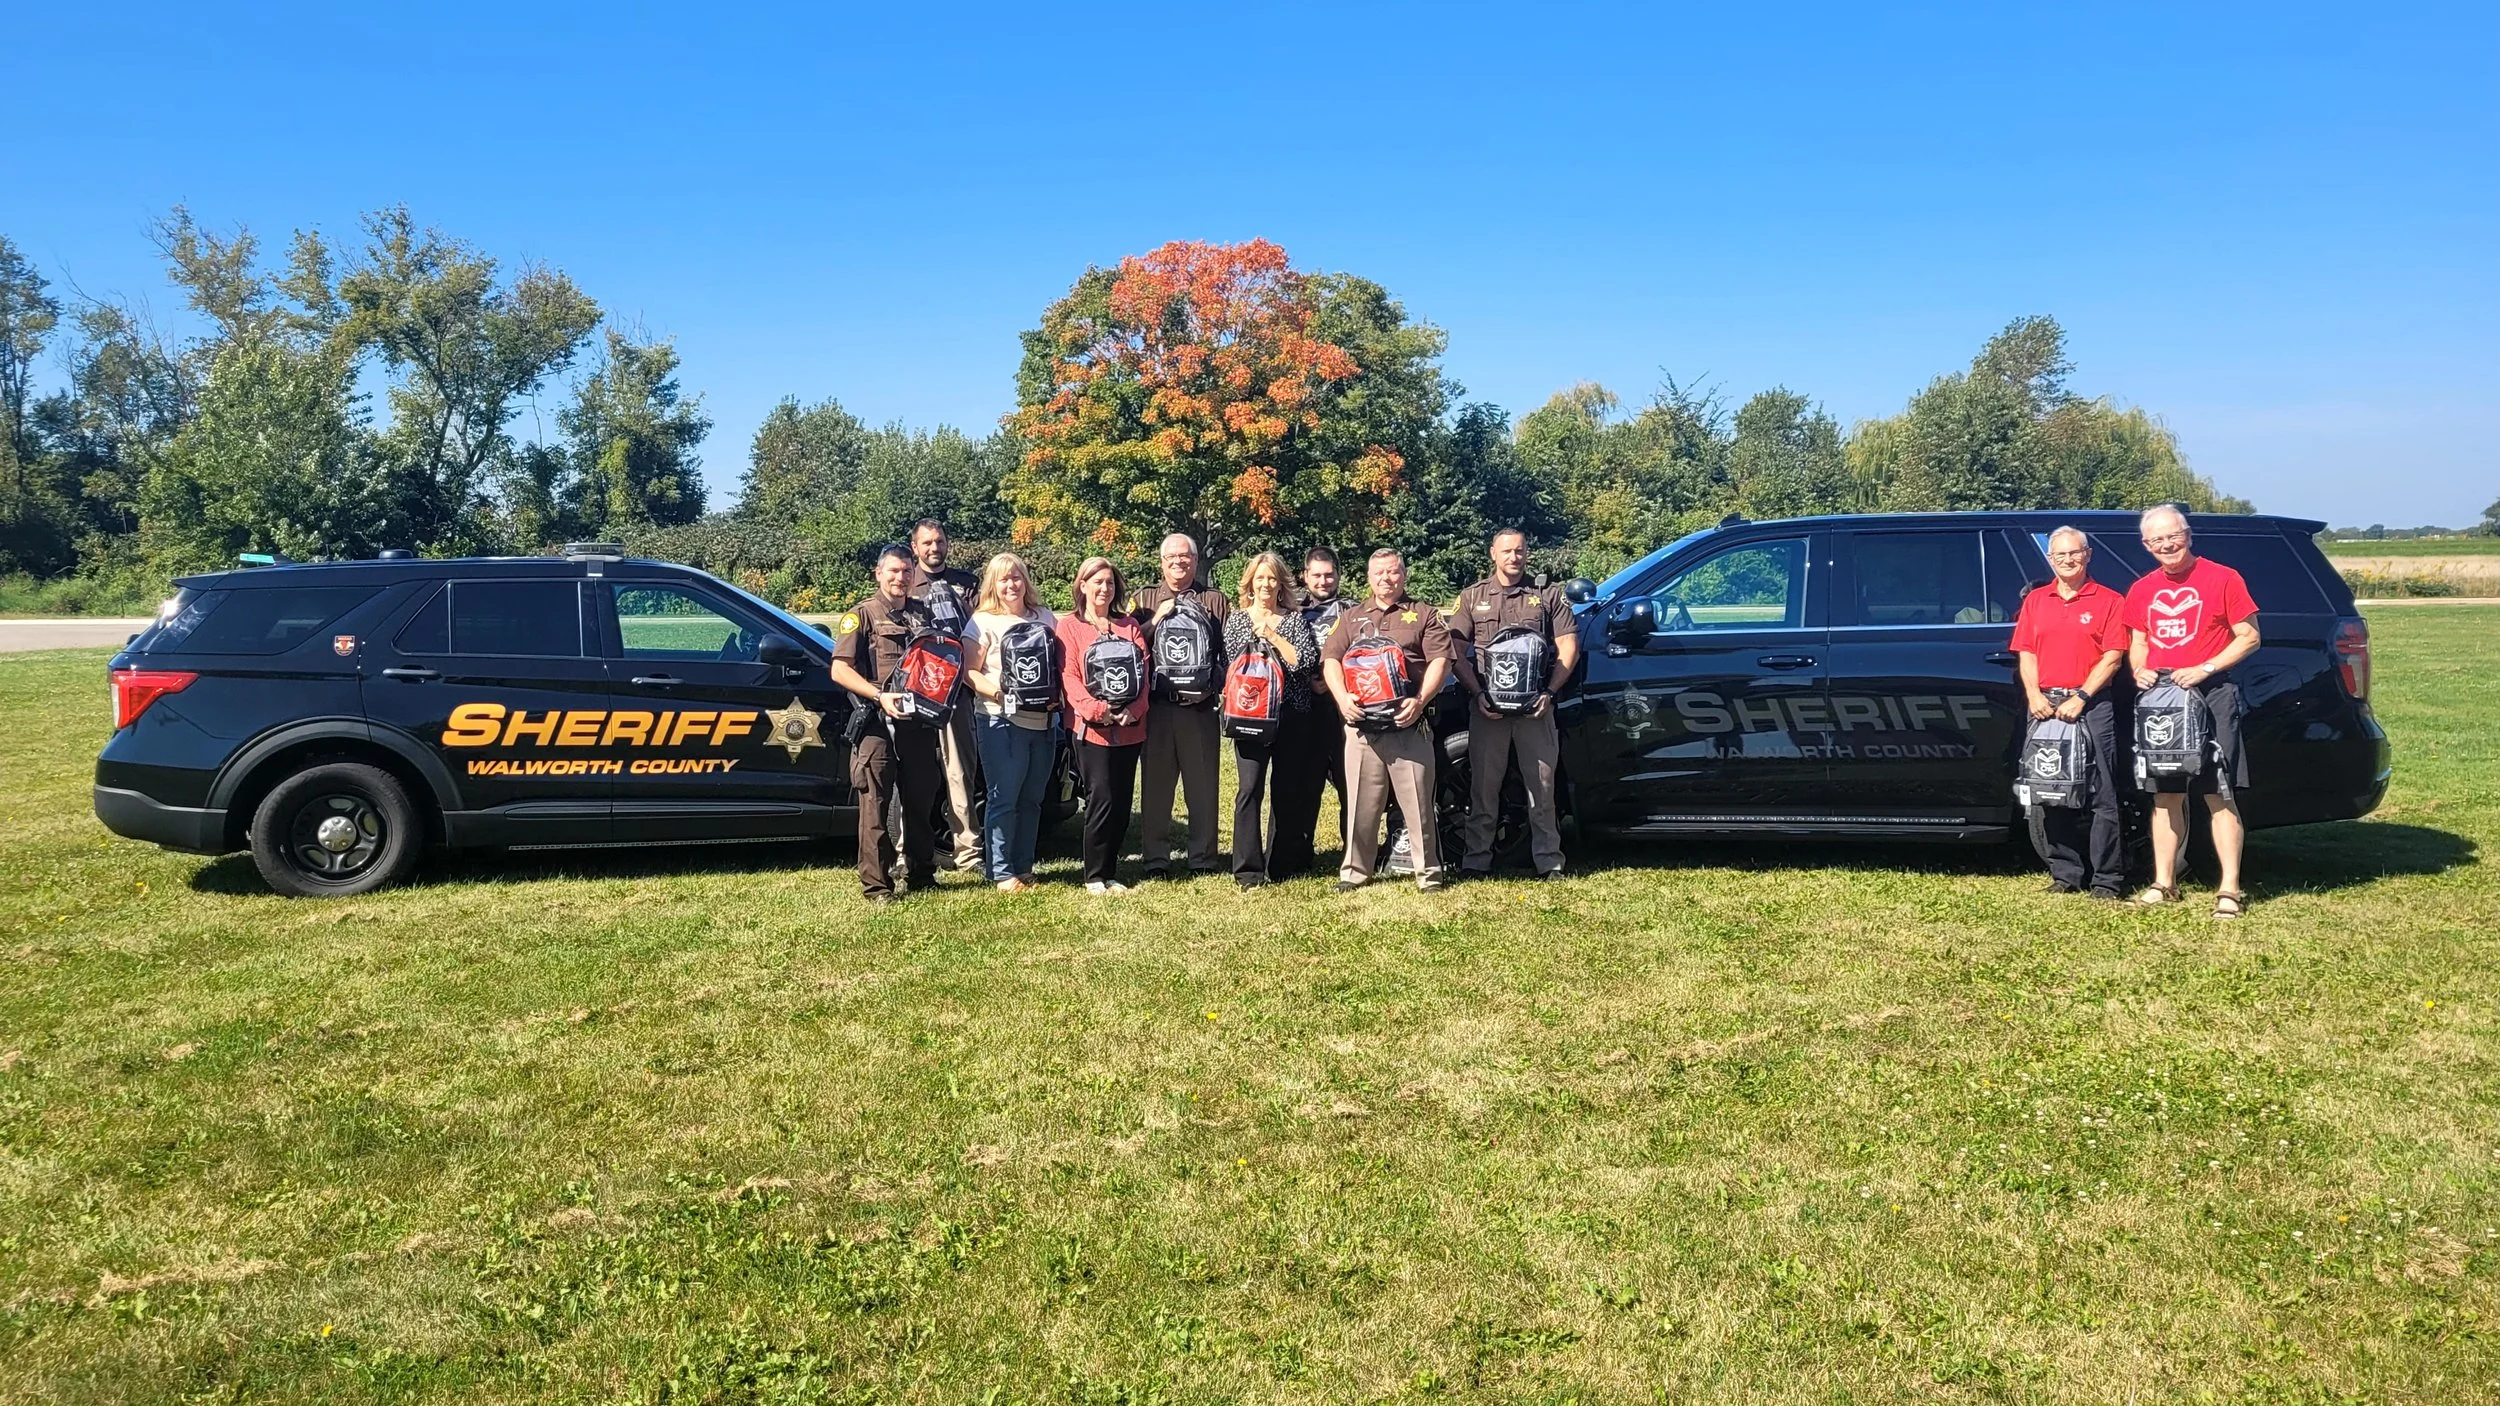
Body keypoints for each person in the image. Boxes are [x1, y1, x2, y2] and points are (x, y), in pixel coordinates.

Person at [2124, 505, 2262, 918]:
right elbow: (2139, 641)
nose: (2167, 545)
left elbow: (2250, 636)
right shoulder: (2143, 589)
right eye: (2157, 540)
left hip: (2212, 695)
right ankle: (2164, 883)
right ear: (2147, 545)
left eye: (2173, 536)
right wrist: (2139, 669)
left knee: (2218, 794)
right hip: (2163, 702)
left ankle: (2230, 890)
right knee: (2165, 795)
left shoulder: (2223, 578)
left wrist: (2205, 668)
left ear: (2188, 534)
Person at [1449, 527, 1579, 880]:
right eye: (1506, 551)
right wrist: (1477, 693)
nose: (1513, 557)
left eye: (1519, 551)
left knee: (1543, 790)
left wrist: (1549, 692)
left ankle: (1549, 862)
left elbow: (1568, 647)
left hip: (1535, 709)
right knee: (1483, 790)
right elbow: (1456, 652)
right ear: (1493, 553)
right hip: (1488, 709)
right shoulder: (1472, 597)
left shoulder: (1547, 595)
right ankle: (1476, 862)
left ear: (1527, 553)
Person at [1322, 548, 1452, 893]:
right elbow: (1331, 660)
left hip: (1407, 724)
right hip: (1362, 727)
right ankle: (1354, 873)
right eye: (1379, 573)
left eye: (1393, 572)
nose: (1386, 579)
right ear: (1368, 577)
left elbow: (1441, 661)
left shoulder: (1424, 614)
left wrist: (1421, 700)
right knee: (1361, 806)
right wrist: (1341, 697)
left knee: (1419, 805)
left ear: (1403, 575)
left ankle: (1429, 875)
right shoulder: (1350, 617)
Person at [2011, 526, 2131, 900]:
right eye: (2060, 555)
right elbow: (2026, 652)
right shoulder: (2036, 601)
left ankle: (2107, 880)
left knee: (2103, 794)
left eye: (2074, 553)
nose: (2068, 560)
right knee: (2051, 789)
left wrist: (2081, 696)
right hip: (2044, 704)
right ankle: (2065, 874)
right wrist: (2033, 694)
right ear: (2050, 559)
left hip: (2091, 705)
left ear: (2088, 554)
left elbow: (2113, 657)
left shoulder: (2110, 600)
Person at [829, 545, 944, 903]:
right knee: (875, 806)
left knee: (921, 800)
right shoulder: (861, 615)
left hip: (917, 723)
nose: (901, 578)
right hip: (876, 724)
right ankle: (878, 886)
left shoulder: (922, 615)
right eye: (893, 571)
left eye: (907, 572)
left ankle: (922, 873)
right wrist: (878, 696)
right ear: (878, 573)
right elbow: (839, 669)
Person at [1130, 532, 1231, 879]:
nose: (1178, 562)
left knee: (1202, 785)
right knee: (1156, 787)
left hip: (1199, 709)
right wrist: (1154, 618)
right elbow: (1130, 647)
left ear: (1195, 559)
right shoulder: (1143, 599)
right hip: (1157, 708)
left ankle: (1202, 857)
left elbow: (1227, 654)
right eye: (1171, 557)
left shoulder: (1215, 600)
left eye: (1185, 556)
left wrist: (1213, 688)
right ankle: (1155, 858)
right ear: (1161, 562)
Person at [1222, 552, 1320, 888]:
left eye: (1272, 579)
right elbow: (1236, 665)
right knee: (1249, 789)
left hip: (1292, 713)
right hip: (1250, 714)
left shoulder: (1294, 620)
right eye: (1259, 578)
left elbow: (1304, 662)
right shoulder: (1236, 621)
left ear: (1281, 584)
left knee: (1286, 790)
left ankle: (1281, 863)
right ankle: (1247, 870)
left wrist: (1274, 636)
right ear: (1250, 583)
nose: (1265, 585)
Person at [963, 552, 1058, 892]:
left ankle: (1024, 865)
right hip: (999, 720)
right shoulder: (981, 621)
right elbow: (969, 672)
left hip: (1044, 722)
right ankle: (1001, 871)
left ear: (1025, 580)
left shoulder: (1045, 616)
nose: (1011, 584)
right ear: (993, 584)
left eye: (1016, 577)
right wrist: (999, 695)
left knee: (1032, 797)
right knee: (1004, 797)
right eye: (1003, 579)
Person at [1057, 556, 1150, 894]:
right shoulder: (1069, 627)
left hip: (1129, 729)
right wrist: (1098, 711)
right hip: (1090, 730)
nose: (1104, 588)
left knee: (1123, 800)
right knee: (1102, 798)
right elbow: (1069, 677)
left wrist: (1135, 710)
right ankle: (1094, 875)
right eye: (1097, 582)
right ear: (1082, 586)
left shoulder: (1129, 626)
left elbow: (1145, 674)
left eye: (1109, 582)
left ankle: (1112, 871)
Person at [907, 518, 985, 875]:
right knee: (917, 772)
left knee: (960, 773)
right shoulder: (906, 584)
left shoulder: (967, 584)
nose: (934, 548)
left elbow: (982, 628)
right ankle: (911, 848)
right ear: (915, 548)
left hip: (958, 694)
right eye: (927, 543)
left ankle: (967, 850)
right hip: (918, 693)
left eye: (939, 541)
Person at [1269, 546, 1349, 878]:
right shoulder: (1290, 611)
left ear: (1338, 575)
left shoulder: (1353, 610)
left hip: (1344, 710)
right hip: (1304, 709)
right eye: (1316, 574)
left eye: (1329, 574)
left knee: (1350, 786)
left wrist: (1332, 685)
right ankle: (1299, 854)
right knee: (1304, 786)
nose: (1323, 580)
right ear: (1305, 576)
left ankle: (1355, 853)